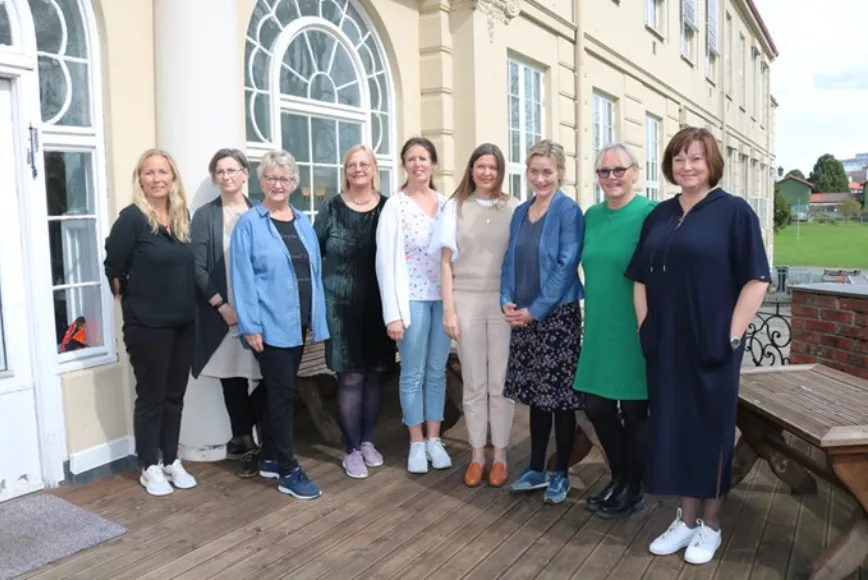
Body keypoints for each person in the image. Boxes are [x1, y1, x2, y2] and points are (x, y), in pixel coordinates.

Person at [626, 127, 770, 564]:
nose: (686, 167)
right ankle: (685, 520)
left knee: (710, 430)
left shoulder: (734, 213)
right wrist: (644, 327)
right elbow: (640, 278)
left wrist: (732, 334)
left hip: (712, 345)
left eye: (696, 159)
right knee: (672, 428)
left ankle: (711, 524)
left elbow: (756, 280)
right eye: (678, 159)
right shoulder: (660, 215)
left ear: (711, 165)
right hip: (665, 344)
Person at [230, 150, 330, 500]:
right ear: (260, 182)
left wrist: (316, 319)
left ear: (294, 184)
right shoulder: (250, 224)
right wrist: (250, 325)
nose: (277, 183)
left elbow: (312, 273)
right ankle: (289, 470)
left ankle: (270, 456)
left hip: (298, 323)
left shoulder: (302, 221)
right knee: (284, 396)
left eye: (284, 178)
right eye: (271, 177)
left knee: (277, 390)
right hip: (269, 325)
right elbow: (242, 279)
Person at [104, 149, 198, 497]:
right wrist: (133, 302)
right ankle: (149, 465)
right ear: (139, 178)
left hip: (184, 323)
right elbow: (114, 267)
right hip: (147, 327)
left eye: (163, 171)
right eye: (149, 172)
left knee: (175, 396)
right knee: (152, 397)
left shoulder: (181, 216)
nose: (157, 178)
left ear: (173, 177)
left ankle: (171, 459)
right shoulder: (132, 219)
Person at [573, 143, 655, 519]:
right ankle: (621, 477)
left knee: (636, 410)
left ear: (635, 172)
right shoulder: (591, 216)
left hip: (635, 326)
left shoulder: (651, 215)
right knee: (597, 406)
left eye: (619, 170)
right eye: (604, 172)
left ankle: (632, 486)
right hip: (600, 327)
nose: (611, 178)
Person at [502, 139, 585, 504]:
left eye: (547, 172)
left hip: (557, 317)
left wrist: (536, 309)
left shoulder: (568, 211)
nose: (540, 178)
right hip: (522, 315)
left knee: (561, 400)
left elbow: (567, 266)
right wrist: (506, 299)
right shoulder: (521, 211)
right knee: (536, 397)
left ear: (560, 174)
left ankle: (560, 472)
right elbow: (509, 260)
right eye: (534, 171)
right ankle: (536, 467)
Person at [432, 143, 517, 487]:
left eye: (493, 167)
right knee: (474, 384)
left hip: (501, 302)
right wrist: (449, 310)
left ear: (500, 172)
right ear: (471, 169)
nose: (486, 173)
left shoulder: (513, 208)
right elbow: (445, 263)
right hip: (465, 301)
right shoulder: (454, 207)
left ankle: (500, 456)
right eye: (480, 166)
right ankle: (477, 454)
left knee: (500, 382)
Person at [314, 145, 394, 479]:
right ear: (345, 170)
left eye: (364, 164)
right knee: (349, 377)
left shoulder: (388, 209)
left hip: (379, 305)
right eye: (352, 164)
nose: (358, 169)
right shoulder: (331, 208)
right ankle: (350, 449)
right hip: (340, 306)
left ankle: (366, 441)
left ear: (374, 169)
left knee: (375, 376)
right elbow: (313, 252)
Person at [375, 136, 452, 474]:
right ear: (404, 165)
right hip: (412, 302)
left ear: (433, 163)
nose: (418, 164)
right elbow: (384, 263)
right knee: (412, 373)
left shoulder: (447, 203)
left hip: (443, 300)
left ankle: (435, 439)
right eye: (411, 159)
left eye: (423, 158)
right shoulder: (395, 205)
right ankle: (416, 443)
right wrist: (392, 313)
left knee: (437, 372)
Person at [191, 148, 265, 478]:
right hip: (222, 313)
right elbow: (198, 267)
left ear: (246, 173)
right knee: (233, 379)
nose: (226, 176)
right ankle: (247, 442)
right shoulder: (205, 216)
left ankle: (241, 433)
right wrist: (222, 306)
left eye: (232, 170)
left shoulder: (261, 213)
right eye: (219, 171)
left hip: (259, 312)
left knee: (273, 378)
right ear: (213, 177)